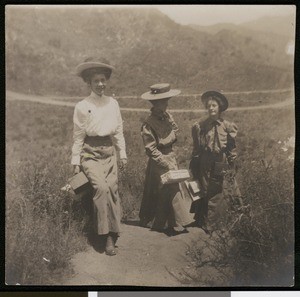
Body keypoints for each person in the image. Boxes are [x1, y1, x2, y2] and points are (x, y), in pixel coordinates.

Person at [71, 58, 127, 256]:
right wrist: (76, 162)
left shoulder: (113, 103)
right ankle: (102, 236)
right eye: (96, 81)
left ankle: (112, 233)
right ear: (89, 82)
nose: (101, 84)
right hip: (90, 153)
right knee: (101, 189)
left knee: (112, 189)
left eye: (103, 80)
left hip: (109, 151)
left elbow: (118, 130)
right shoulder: (82, 106)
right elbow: (78, 136)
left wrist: (123, 154)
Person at [139, 83, 194, 235]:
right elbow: (150, 148)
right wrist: (164, 162)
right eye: (162, 102)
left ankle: (169, 223)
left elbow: (175, 134)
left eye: (166, 101)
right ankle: (178, 223)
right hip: (159, 159)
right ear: (155, 103)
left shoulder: (168, 117)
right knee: (169, 188)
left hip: (171, 156)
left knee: (170, 188)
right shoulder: (148, 124)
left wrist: (172, 124)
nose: (165, 104)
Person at [189, 90, 242, 234]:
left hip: (221, 161)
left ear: (219, 107)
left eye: (214, 105)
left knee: (218, 191)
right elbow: (197, 147)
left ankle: (213, 224)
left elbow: (231, 147)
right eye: (209, 106)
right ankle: (202, 219)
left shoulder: (228, 126)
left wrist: (232, 162)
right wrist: (194, 163)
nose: (211, 108)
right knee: (205, 189)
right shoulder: (201, 125)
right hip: (205, 161)